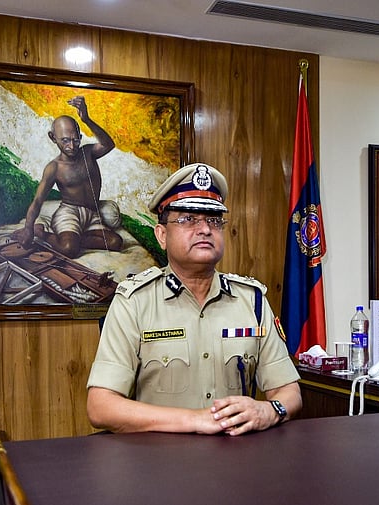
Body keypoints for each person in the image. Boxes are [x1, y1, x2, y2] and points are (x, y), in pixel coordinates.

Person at [85, 163, 302, 436]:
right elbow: (101, 407)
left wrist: (269, 411)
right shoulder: (134, 302)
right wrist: (196, 420)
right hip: (159, 457)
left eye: (214, 221)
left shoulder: (252, 301)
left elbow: (289, 392)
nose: (205, 230)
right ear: (162, 235)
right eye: (188, 219)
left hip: (237, 455)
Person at [13, 96, 124, 258]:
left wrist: (86, 119)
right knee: (68, 249)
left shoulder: (88, 153)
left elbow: (109, 144)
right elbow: (37, 201)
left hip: (92, 214)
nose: (71, 146)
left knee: (115, 242)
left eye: (75, 140)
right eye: (65, 141)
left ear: (80, 138)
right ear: (53, 137)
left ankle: (76, 239)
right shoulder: (54, 167)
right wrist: (28, 228)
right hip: (69, 213)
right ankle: (42, 233)